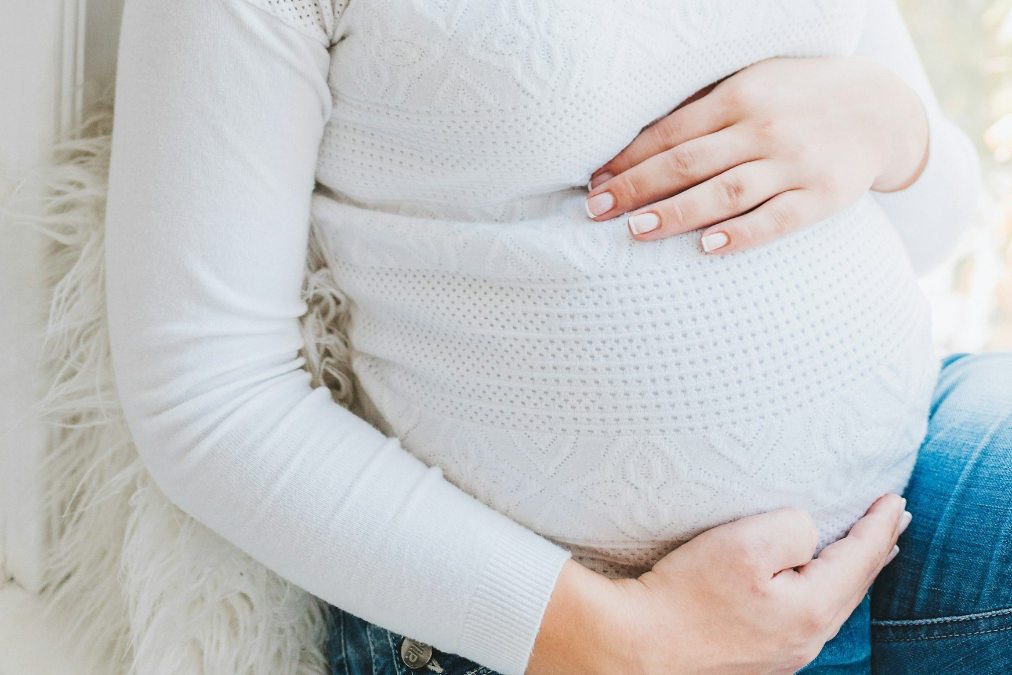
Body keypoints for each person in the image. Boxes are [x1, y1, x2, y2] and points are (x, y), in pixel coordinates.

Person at [102, 0, 1008, 673]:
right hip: (548, 625)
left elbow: (922, 231)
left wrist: (896, 128)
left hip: (909, 483)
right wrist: (624, 642)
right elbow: (205, 393)